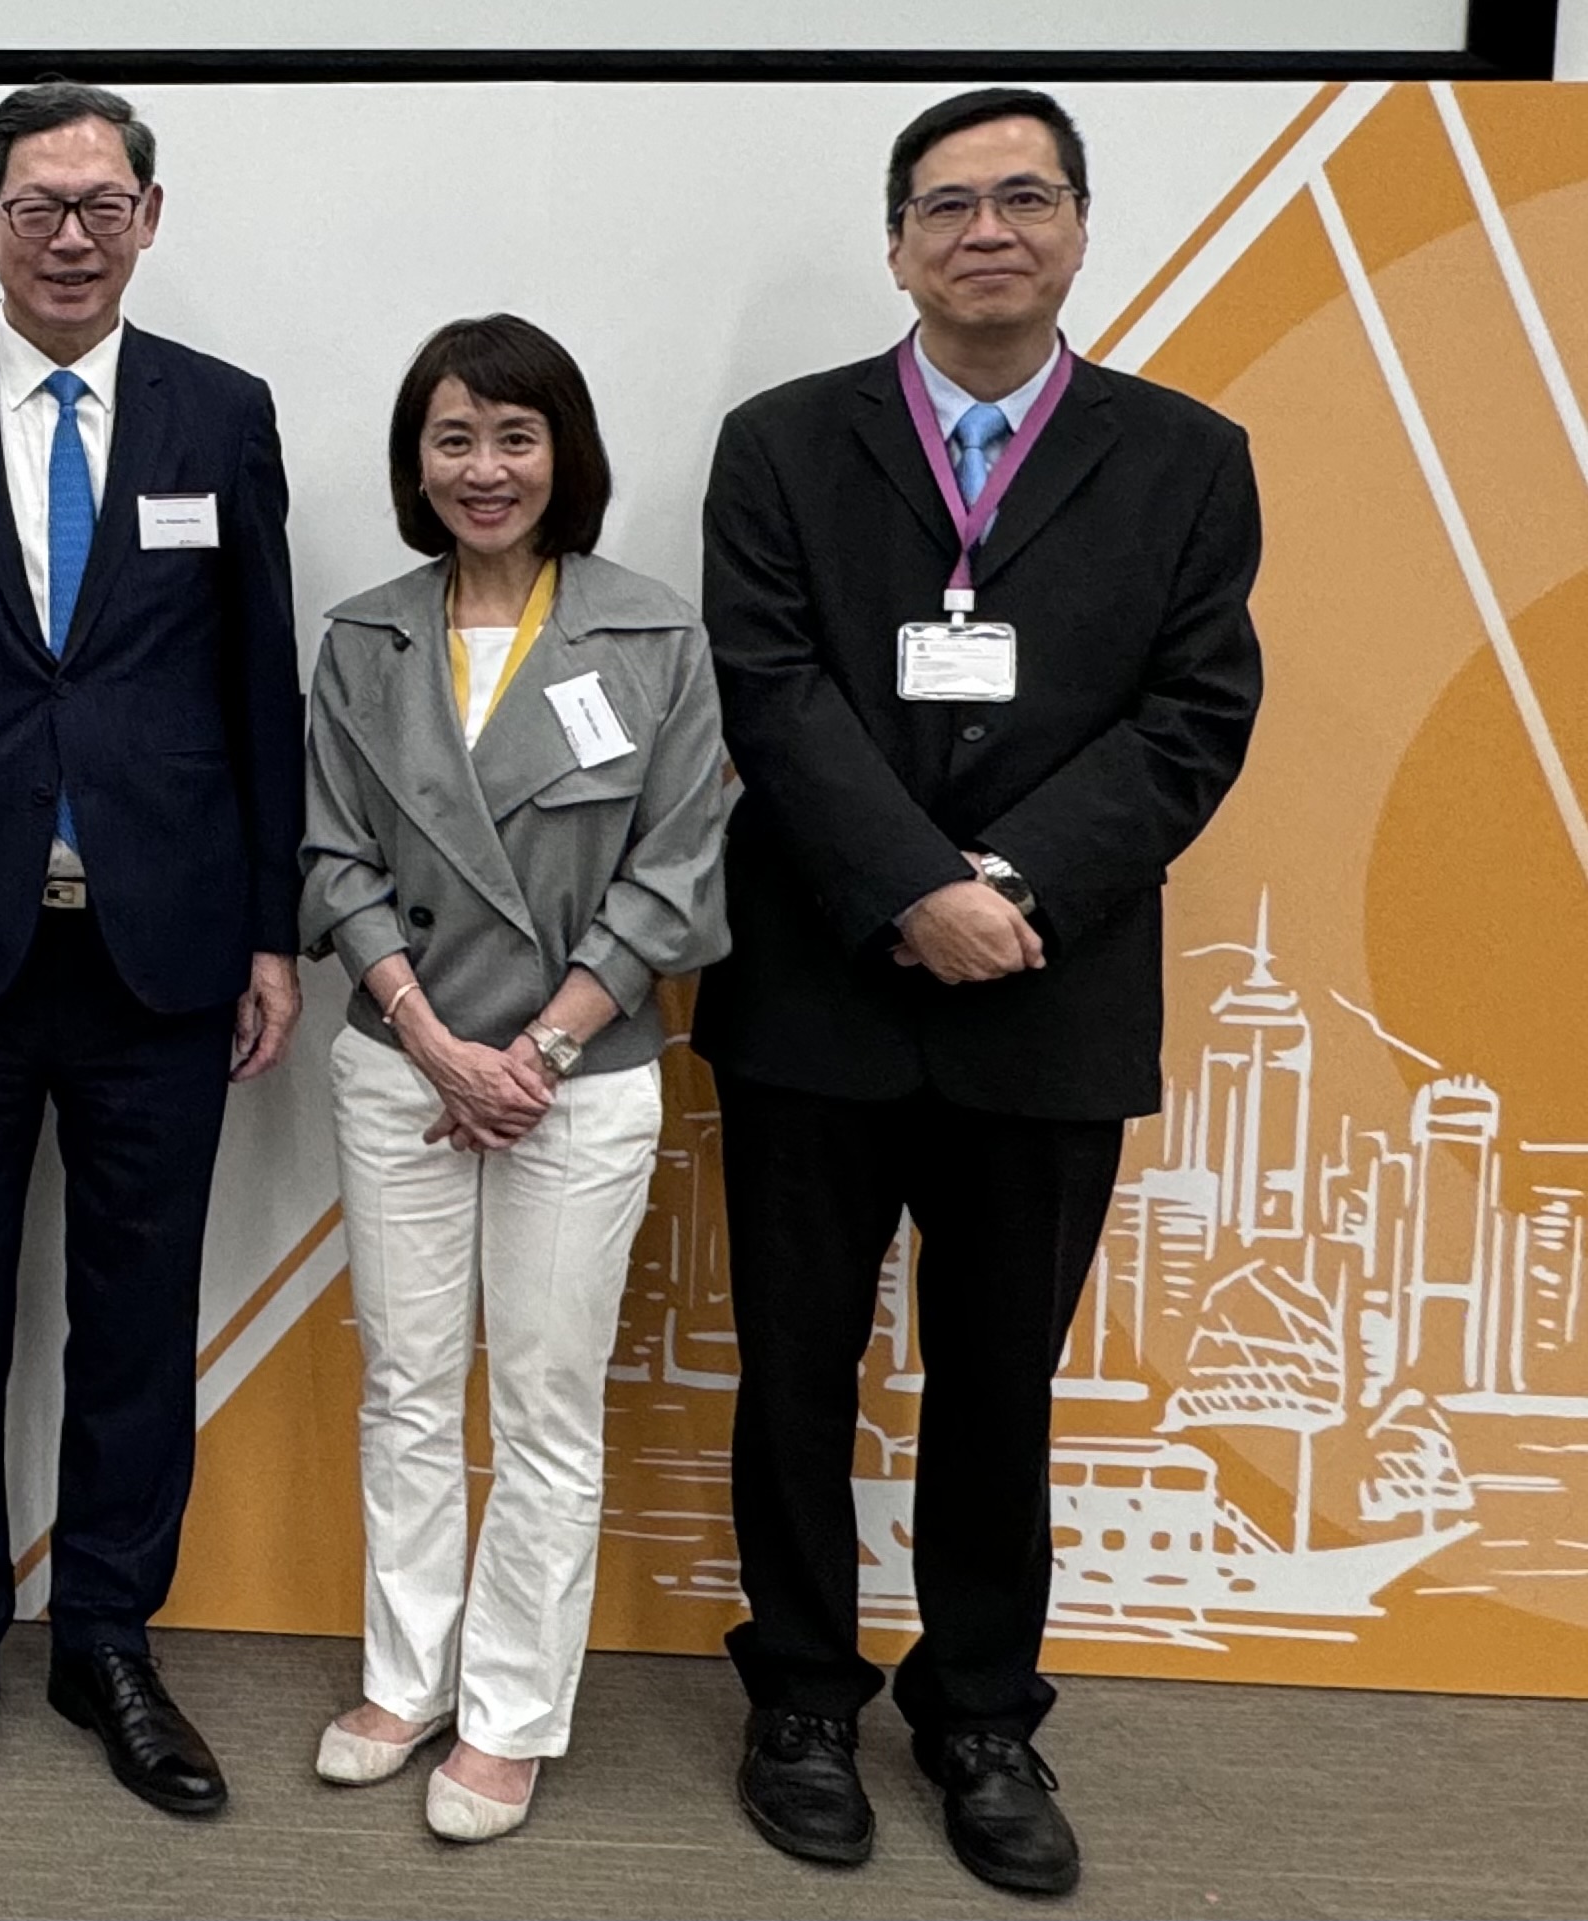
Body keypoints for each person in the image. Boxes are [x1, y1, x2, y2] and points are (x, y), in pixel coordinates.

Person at [699, 88, 1263, 1895]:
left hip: (1048, 991)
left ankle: (980, 1710)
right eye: (949, 204)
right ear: (899, 243)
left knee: (1000, 1381)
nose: (988, 229)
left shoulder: (1186, 456)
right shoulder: (781, 445)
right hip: (822, 992)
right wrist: (911, 889)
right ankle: (798, 1692)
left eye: (1027, 197)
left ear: (1083, 228)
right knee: (794, 1365)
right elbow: (768, 691)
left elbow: (1197, 716)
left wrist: (1004, 887)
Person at [0, 80, 304, 1818]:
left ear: (151, 220)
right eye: (39, 205)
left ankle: (107, 1637)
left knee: (135, 1315)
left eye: (104, 203)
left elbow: (260, 684)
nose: (73, 233)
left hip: (164, 956)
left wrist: (269, 925)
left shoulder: (219, 413)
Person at [298, 314, 731, 1844]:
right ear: (417, 460)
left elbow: (677, 871)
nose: (485, 469)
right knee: (408, 1386)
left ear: (567, 454)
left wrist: (537, 1048)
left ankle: (511, 1712)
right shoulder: (365, 635)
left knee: (545, 1400)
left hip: (580, 1073)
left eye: (515, 437)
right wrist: (431, 1038)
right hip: (404, 1061)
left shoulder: (652, 632)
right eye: (454, 438)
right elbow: (335, 854)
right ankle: (404, 1675)